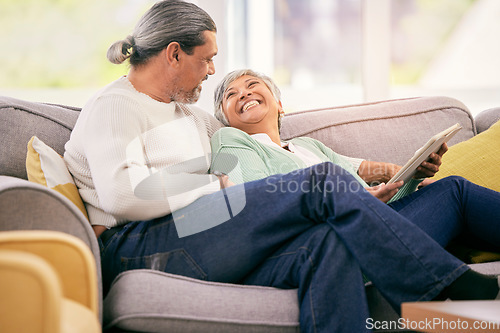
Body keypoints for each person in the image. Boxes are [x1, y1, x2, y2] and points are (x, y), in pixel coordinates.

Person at [64, 2, 499, 332]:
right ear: (174, 54)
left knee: (326, 245)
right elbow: (123, 195)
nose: (212, 71)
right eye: (207, 59)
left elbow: (253, 146)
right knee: (321, 182)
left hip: (202, 225)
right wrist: (212, 181)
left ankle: (441, 302)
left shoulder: (191, 115)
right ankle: (444, 284)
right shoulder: (115, 106)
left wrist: (392, 174)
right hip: (138, 244)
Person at [211, 68, 500, 249]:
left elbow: (377, 193)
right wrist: (358, 201)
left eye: (252, 84)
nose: (244, 93)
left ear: (279, 104)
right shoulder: (232, 140)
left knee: (444, 188)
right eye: (231, 94)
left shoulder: (309, 147)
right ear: (226, 118)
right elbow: (255, 199)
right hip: (344, 236)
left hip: (376, 218)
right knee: (455, 191)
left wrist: (414, 177)